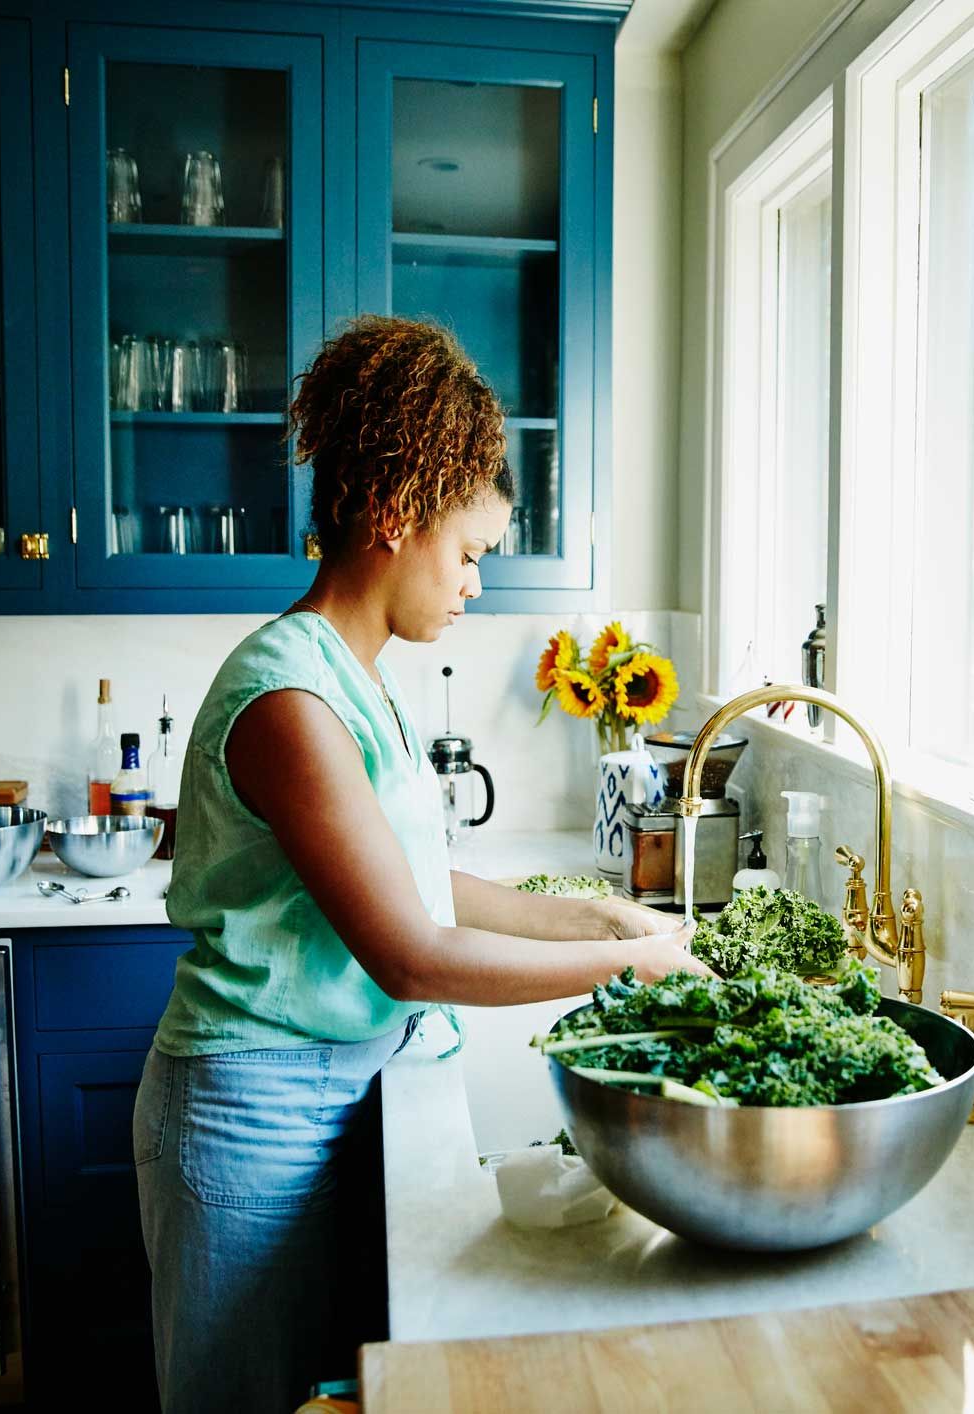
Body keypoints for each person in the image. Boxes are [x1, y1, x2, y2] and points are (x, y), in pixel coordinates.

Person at [133, 316, 705, 1412]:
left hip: (337, 1093)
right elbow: (410, 952)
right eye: (470, 552)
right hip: (251, 1121)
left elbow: (426, 887)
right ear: (396, 517)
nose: (476, 583)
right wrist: (627, 975)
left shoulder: (357, 675)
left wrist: (602, 920)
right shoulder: (290, 699)